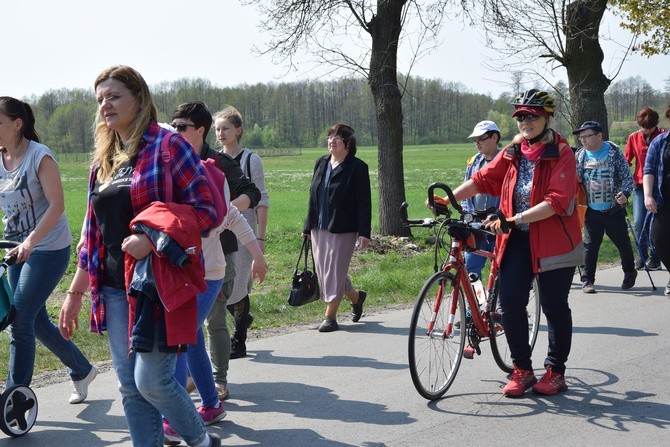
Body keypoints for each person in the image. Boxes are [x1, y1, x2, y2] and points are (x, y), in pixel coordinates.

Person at [57, 66, 221, 447]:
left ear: (139, 97)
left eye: (113, 96)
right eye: (100, 100)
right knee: (130, 386)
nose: (105, 106)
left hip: (156, 285)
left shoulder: (168, 147)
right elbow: (92, 235)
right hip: (113, 286)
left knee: (153, 381)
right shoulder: (103, 160)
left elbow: (207, 210)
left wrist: (153, 235)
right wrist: (75, 292)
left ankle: (201, 440)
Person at [433, 90, 582, 396]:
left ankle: (555, 370)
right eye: (521, 117)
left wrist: (516, 219)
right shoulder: (514, 151)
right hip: (517, 240)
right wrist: (448, 198)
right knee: (511, 303)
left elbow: (556, 201)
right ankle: (522, 370)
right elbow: (484, 179)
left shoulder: (562, 153)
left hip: (554, 242)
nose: (525, 122)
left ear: (547, 118)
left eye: (532, 116)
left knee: (554, 307)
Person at [0, 97, 97, 403]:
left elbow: (56, 206)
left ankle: (16, 398)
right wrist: (20, 244)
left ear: (17, 124)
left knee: (20, 319)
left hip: (48, 247)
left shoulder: (40, 157)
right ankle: (82, 369)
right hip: (15, 247)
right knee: (34, 319)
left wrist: (31, 241)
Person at [171, 102, 261, 399]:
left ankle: (218, 380)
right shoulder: (170, 161)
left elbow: (252, 192)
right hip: (183, 258)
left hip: (218, 252)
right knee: (187, 323)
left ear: (199, 131)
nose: (175, 132)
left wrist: (222, 214)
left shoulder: (218, 162)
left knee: (214, 319)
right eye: (174, 127)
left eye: (181, 127)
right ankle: (193, 380)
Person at [303, 124, 371, 333]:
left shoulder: (357, 167)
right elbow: (312, 197)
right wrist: (307, 227)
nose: (332, 141)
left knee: (334, 271)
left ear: (348, 144)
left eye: (337, 138)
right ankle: (356, 297)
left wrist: (364, 233)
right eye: (330, 137)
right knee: (326, 272)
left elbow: (363, 201)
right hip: (319, 227)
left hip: (344, 228)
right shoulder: (321, 163)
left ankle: (330, 317)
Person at [213, 106, 269, 357]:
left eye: (225, 128)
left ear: (238, 130)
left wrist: (260, 237)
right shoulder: (213, 159)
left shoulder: (250, 160)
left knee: (238, 285)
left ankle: (239, 339)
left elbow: (262, 199)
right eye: (217, 129)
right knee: (224, 283)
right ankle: (242, 317)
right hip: (221, 233)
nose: (220, 133)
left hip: (244, 230)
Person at [574, 121, 636, 293]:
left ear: (599, 135)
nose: (583, 140)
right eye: (581, 137)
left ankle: (629, 272)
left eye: (587, 136)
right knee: (590, 246)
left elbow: (626, 177)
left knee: (622, 243)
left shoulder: (613, 152)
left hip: (613, 209)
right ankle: (588, 281)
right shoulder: (580, 155)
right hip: (591, 210)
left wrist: (624, 193)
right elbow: (575, 180)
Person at [624, 107, 665, 270]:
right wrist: (627, 180)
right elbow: (626, 161)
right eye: (644, 127)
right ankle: (642, 256)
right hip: (640, 186)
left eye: (650, 127)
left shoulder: (663, 136)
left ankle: (656, 258)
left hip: (661, 186)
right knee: (639, 221)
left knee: (655, 224)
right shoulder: (633, 138)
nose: (647, 130)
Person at [462, 120, 501, 280]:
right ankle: (474, 304)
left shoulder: (506, 160)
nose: (477, 143)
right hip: (477, 224)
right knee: (470, 268)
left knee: (501, 270)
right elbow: (466, 190)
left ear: (494, 137)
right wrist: (467, 215)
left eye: (481, 139)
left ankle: (500, 304)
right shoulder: (473, 162)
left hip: (499, 224)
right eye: (475, 140)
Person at [643, 105, 670, 295]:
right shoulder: (660, 142)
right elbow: (649, 170)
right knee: (658, 238)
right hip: (664, 200)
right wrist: (647, 195)